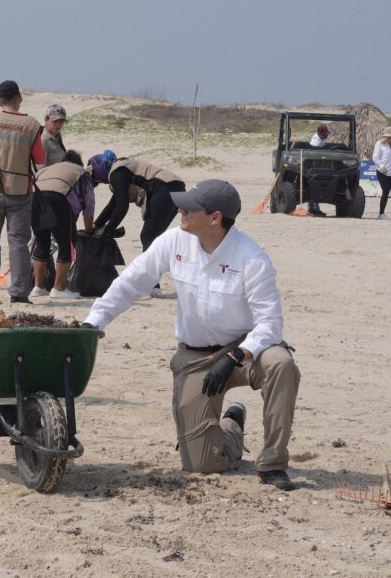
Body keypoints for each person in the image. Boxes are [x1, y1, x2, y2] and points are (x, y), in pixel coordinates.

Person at [82, 179, 301, 491]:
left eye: (190, 207)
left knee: (282, 364)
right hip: (195, 356)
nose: (181, 210)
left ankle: (273, 463)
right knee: (201, 464)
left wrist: (235, 357)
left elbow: (270, 324)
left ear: (215, 218)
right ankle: (232, 428)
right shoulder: (173, 241)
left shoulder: (252, 258)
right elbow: (130, 282)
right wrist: (94, 322)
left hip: (245, 350)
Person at [0, 81, 45, 305]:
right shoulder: (32, 125)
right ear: (19, 98)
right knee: (18, 242)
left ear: (0, 100)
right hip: (22, 189)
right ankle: (19, 292)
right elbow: (40, 160)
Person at [88, 150, 185, 296]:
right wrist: (96, 225)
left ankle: (153, 285)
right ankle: (156, 283)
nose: (98, 180)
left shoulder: (117, 172)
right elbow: (113, 205)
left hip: (164, 189)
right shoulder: (121, 168)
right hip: (176, 188)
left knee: (148, 237)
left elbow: (122, 206)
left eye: (95, 176)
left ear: (101, 167)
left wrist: (107, 233)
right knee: (154, 238)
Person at [29, 151, 95, 299]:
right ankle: (59, 288)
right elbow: (89, 205)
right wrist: (89, 229)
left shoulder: (47, 169)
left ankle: (38, 287)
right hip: (59, 202)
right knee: (67, 245)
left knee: (42, 243)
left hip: (35, 200)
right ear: (79, 163)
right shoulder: (82, 173)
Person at [307, 124, 330, 216]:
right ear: (321, 133)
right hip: (314, 167)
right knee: (314, 186)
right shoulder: (315, 142)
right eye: (325, 133)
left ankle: (313, 208)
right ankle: (313, 208)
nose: (327, 135)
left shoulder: (322, 139)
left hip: (320, 165)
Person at [372, 127, 391, 220]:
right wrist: (381, 167)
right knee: (386, 191)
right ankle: (381, 213)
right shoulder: (379, 144)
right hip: (382, 172)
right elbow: (375, 157)